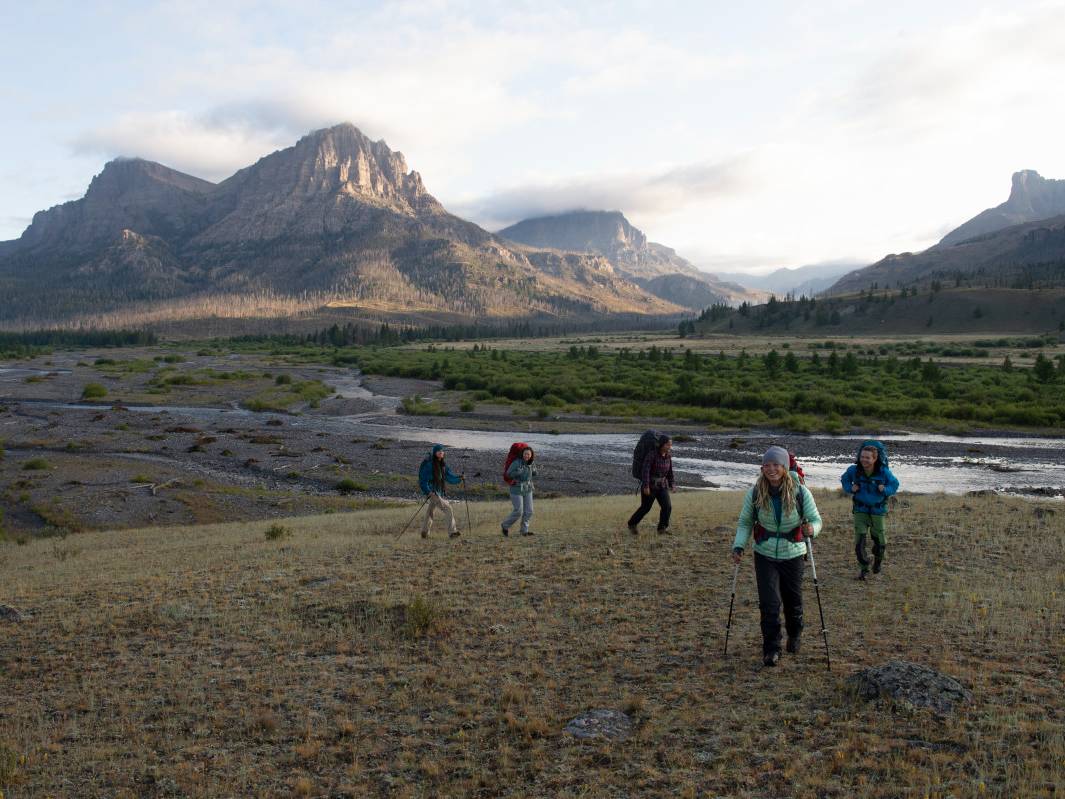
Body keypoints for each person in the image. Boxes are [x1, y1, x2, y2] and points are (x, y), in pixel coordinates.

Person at [732, 445, 823, 666]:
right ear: (762, 467)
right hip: (764, 553)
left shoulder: (801, 492)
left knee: (793, 601)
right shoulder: (755, 492)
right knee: (769, 604)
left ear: (784, 467)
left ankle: (795, 633)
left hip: (793, 553)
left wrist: (812, 529)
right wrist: (738, 546)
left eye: (776, 465)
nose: (771, 469)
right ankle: (771, 649)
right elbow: (745, 522)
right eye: (767, 465)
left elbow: (816, 520)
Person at [840, 440, 899, 580]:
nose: (864, 460)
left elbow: (895, 484)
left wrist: (885, 490)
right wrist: (850, 488)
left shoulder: (883, 472)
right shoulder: (853, 470)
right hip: (860, 509)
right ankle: (864, 569)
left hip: (878, 511)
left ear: (875, 458)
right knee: (859, 541)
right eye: (862, 457)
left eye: (867, 457)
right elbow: (844, 479)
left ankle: (877, 562)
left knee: (880, 541)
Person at [628, 434, 674, 535]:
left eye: (670, 445)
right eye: (668, 445)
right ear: (662, 444)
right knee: (645, 508)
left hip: (662, 486)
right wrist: (646, 486)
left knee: (667, 507)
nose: (670, 447)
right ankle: (632, 524)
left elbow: (670, 471)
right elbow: (646, 471)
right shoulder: (652, 455)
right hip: (650, 486)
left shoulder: (668, 456)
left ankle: (662, 528)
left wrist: (671, 484)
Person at [417, 444, 463, 539]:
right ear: (435, 453)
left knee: (430, 511)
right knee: (448, 508)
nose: (441, 453)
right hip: (432, 492)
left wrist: (460, 478)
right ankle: (452, 532)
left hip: (438, 491)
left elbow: (450, 477)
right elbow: (423, 480)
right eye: (439, 451)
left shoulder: (442, 465)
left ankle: (424, 532)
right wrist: (428, 491)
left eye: (442, 451)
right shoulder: (429, 465)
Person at [501, 446, 536, 537]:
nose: (527, 456)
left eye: (528, 454)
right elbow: (508, 474)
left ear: (531, 455)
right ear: (522, 454)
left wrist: (535, 471)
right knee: (518, 511)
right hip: (516, 489)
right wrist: (517, 472)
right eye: (525, 454)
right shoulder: (516, 463)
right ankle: (505, 525)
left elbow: (534, 474)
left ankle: (524, 531)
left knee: (529, 511)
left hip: (528, 489)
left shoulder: (531, 463)